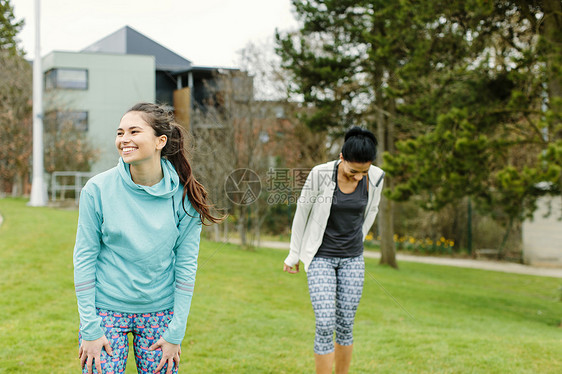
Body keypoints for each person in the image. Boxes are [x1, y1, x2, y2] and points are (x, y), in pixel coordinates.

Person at [73, 102, 222, 374]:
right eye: (120, 133)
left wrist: (176, 331)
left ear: (160, 141)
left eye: (134, 132)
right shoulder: (97, 190)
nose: (124, 140)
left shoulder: (185, 195)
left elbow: (186, 266)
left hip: (159, 313)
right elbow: (84, 259)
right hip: (106, 311)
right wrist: (90, 329)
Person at [283, 126, 385, 374]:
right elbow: (302, 214)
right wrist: (294, 254)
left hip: (352, 259)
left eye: (364, 171)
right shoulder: (320, 174)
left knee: (346, 324)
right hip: (321, 258)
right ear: (341, 158)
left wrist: (358, 239)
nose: (359, 177)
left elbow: (371, 211)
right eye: (353, 171)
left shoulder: (377, 177)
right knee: (325, 322)